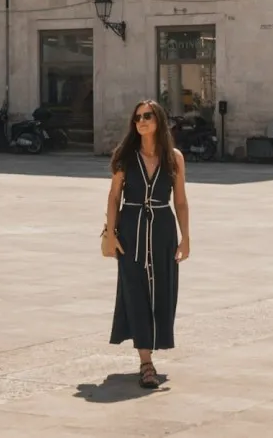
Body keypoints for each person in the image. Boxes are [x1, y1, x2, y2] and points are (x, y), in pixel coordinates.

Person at [104, 99, 189, 389]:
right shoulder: (125, 156)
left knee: (163, 290)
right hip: (131, 230)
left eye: (148, 116)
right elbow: (114, 196)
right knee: (135, 292)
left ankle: (156, 344)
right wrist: (112, 233)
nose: (141, 121)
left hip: (163, 229)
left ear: (159, 121)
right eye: (137, 117)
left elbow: (180, 200)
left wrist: (185, 237)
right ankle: (145, 362)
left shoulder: (174, 157)